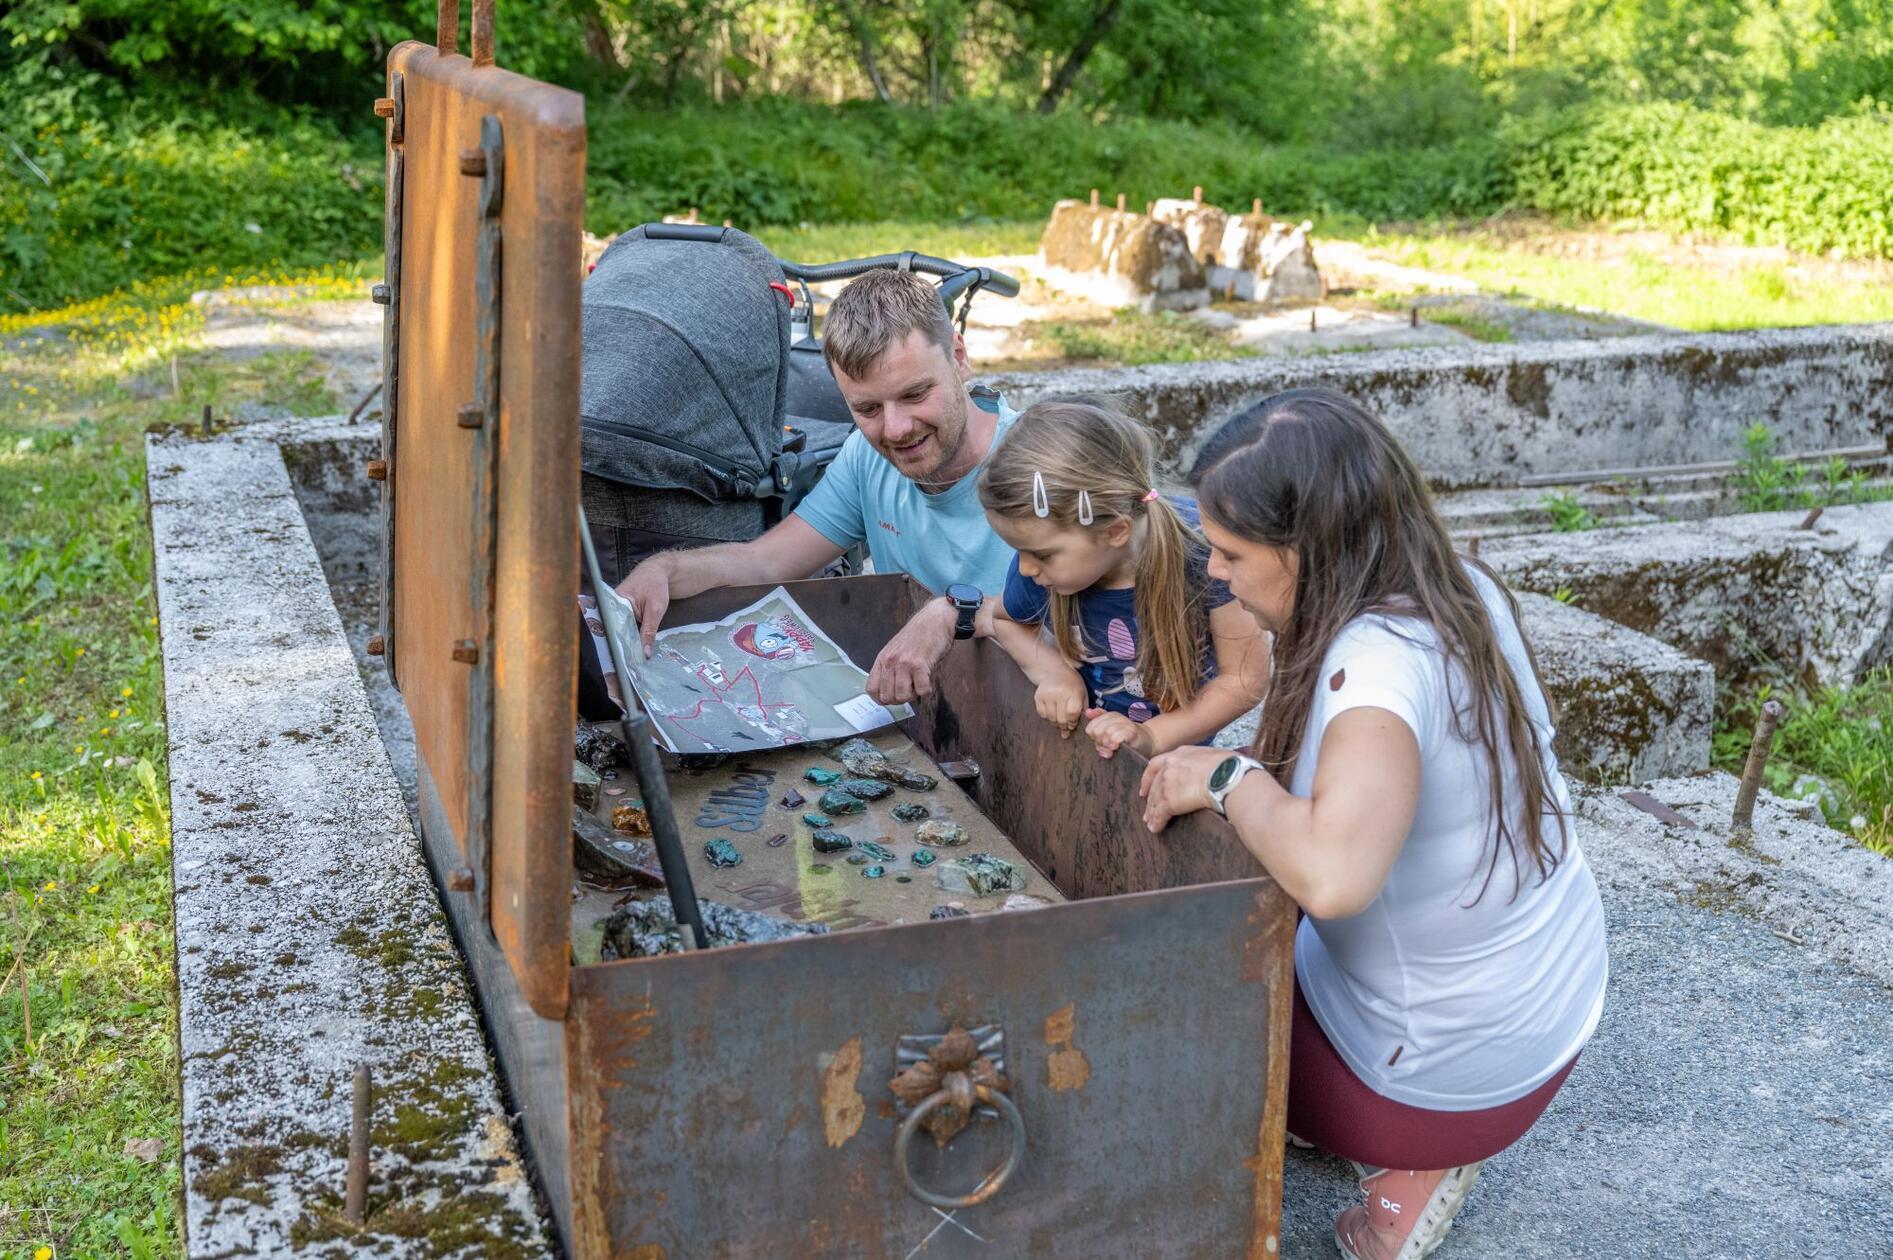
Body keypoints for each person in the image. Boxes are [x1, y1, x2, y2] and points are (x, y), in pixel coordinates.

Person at [1136, 388, 1608, 1260]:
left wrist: (1227, 773)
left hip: (1440, 1083)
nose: (1214, 574)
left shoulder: (1375, 662)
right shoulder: (1453, 584)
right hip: (1552, 1007)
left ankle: (1410, 1160)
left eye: (1234, 553)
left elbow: (1334, 879)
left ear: (1308, 547)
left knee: (1164, 1020)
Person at [614, 267, 1019, 704]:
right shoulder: (866, 459)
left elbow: (1085, 625)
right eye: (868, 409)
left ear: (958, 356)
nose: (897, 429)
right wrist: (666, 570)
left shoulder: (1044, 465)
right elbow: (765, 562)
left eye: (915, 394)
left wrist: (950, 612)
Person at [975, 400, 1266, 755]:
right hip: (1089, 747)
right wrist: (1054, 674)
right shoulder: (1044, 572)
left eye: (1042, 554)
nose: (1024, 569)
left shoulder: (1202, 554)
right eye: (1019, 551)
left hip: (1180, 756)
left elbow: (1246, 678)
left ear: (1115, 531)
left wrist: (1153, 736)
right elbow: (1007, 620)